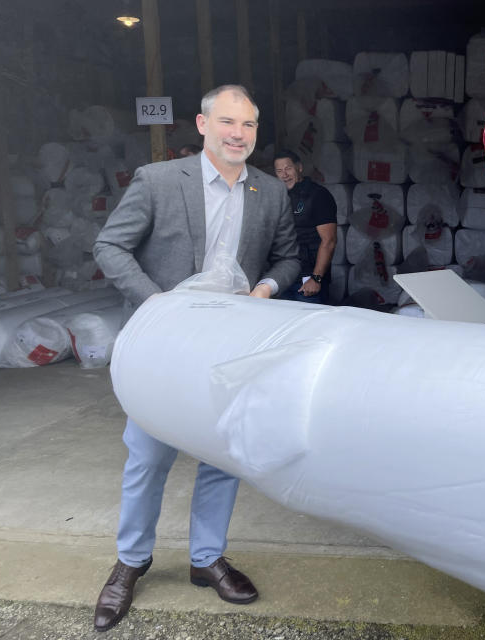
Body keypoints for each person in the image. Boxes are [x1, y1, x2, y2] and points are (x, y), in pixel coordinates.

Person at [91, 85, 299, 632]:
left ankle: (206, 558)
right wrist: (157, 302)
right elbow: (110, 246)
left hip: (230, 342)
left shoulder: (269, 191)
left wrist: (265, 290)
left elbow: (289, 255)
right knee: (148, 456)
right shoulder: (159, 181)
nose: (239, 134)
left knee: (222, 456)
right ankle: (130, 562)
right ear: (202, 126)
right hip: (166, 341)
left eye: (249, 125)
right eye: (228, 122)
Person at [272, 150, 337, 304]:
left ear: (299, 167)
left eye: (288, 169)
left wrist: (316, 278)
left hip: (308, 280)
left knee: (312, 327)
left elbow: (329, 241)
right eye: (279, 171)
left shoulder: (318, 195)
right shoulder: (276, 197)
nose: (284, 175)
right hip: (281, 277)